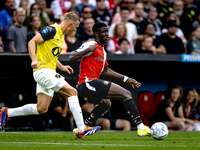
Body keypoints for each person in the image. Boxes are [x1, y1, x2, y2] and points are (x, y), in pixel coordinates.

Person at [0, 12, 100, 139]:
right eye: (75, 27)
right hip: (43, 71)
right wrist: (33, 60)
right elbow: (32, 42)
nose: (75, 30)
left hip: (48, 71)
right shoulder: (52, 30)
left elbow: (50, 55)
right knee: (72, 92)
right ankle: (81, 129)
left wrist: (61, 67)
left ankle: (7, 112)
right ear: (69, 24)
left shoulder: (60, 35)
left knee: (41, 108)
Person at [69, 22, 150, 137]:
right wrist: (87, 50)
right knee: (126, 94)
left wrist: (126, 78)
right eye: (104, 32)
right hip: (87, 82)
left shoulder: (103, 51)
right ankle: (141, 127)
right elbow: (71, 57)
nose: (107, 34)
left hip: (90, 84)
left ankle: (84, 127)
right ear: (96, 33)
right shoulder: (90, 44)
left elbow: (106, 71)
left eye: (107, 32)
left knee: (106, 104)